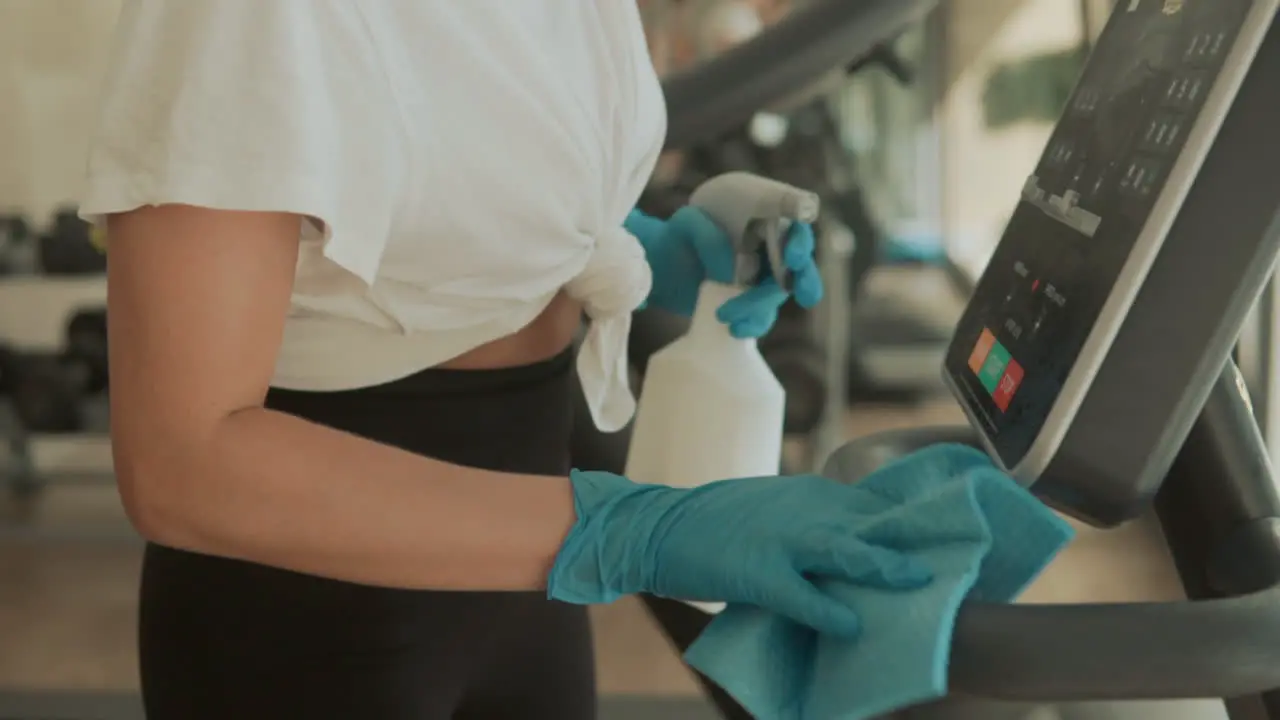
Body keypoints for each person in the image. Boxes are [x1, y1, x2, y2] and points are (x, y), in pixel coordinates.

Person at [82, 1, 936, 718]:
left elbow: (433, 184)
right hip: (312, 600)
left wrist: (650, 246)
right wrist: (628, 530)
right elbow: (180, 459)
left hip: (522, 570)